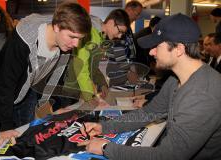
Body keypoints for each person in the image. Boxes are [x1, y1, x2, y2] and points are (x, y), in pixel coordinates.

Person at [78, 13, 221, 159]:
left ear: (179, 49)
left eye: (157, 46)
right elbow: (148, 113)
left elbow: (168, 156)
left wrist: (105, 148)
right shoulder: (175, 79)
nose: (152, 52)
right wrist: (104, 127)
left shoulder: (203, 95)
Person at [0, 2, 91, 146]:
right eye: (72, 36)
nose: (76, 44)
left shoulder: (65, 46)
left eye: (80, 38)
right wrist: (5, 126)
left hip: (28, 89)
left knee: (25, 138)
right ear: (56, 27)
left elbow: (56, 79)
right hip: (1, 95)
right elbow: (6, 83)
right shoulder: (24, 39)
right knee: (1, 143)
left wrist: (56, 108)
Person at [56, 9, 130, 108]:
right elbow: (80, 67)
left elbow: (93, 67)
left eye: (122, 34)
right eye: (120, 31)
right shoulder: (89, 33)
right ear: (111, 21)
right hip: (67, 88)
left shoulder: (102, 38)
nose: (120, 36)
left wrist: (102, 83)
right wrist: (90, 97)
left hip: (77, 88)